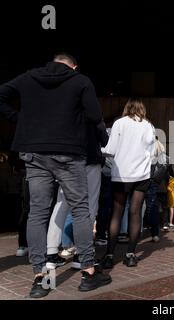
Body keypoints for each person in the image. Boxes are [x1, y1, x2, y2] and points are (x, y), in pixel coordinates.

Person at [0, 53, 111, 298]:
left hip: (33, 151)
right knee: (80, 209)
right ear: (74, 66)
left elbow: (1, 95)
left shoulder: (29, 77)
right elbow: (94, 116)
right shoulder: (81, 81)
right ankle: (89, 273)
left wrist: (20, 120)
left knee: (38, 212)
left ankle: (40, 278)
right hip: (68, 151)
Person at [46, 106, 109, 270]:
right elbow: (104, 139)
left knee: (61, 205)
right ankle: (82, 254)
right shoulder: (93, 113)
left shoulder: (63, 112)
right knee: (90, 206)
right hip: (89, 161)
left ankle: (51, 253)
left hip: (65, 162)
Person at [101, 100, 155, 269]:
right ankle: (131, 255)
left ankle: (109, 255)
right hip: (142, 175)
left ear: (127, 109)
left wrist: (97, 149)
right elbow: (152, 153)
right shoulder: (148, 126)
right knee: (135, 213)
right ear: (142, 110)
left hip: (121, 175)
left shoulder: (119, 123)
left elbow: (110, 149)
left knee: (117, 213)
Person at [146, 139, 169, 242]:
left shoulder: (147, 155)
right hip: (155, 183)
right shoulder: (164, 159)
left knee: (137, 207)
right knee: (153, 206)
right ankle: (154, 233)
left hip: (144, 181)